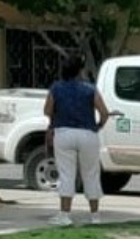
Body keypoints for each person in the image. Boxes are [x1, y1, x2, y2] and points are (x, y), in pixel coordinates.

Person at [44, 55, 110, 226]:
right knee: (91, 174)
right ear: (79, 71)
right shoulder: (89, 89)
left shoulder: (56, 88)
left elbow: (47, 110)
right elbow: (104, 112)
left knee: (67, 174)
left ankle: (64, 214)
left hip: (64, 132)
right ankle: (95, 215)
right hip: (88, 133)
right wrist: (98, 126)